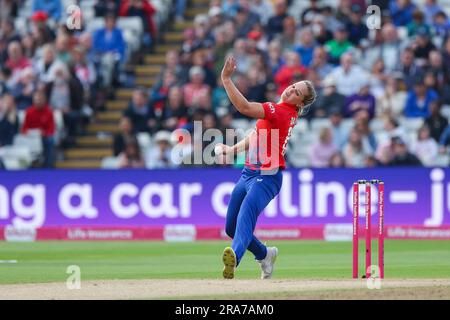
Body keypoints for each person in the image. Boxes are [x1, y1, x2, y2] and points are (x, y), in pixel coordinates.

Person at [215, 56, 317, 280]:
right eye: (292, 87)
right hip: (249, 172)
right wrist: (232, 150)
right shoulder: (281, 111)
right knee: (231, 227)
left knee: (245, 218)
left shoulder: (279, 111)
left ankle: (235, 257)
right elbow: (255, 136)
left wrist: (226, 79)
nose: (290, 91)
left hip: (268, 176)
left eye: (297, 93)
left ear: (300, 103)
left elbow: (243, 107)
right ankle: (265, 254)